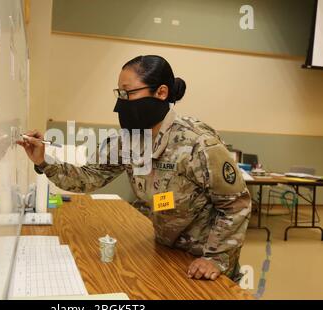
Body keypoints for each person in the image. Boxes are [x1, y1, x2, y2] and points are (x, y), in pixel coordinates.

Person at [19, 55, 251, 282]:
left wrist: (216, 258)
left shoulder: (198, 144)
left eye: (128, 93)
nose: (121, 103)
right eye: (119, 93)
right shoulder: (128, 141)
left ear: (161, 93)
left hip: (206, 266)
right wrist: (43, 161)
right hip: (166, 254)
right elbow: (88, 177)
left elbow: (236, 204)